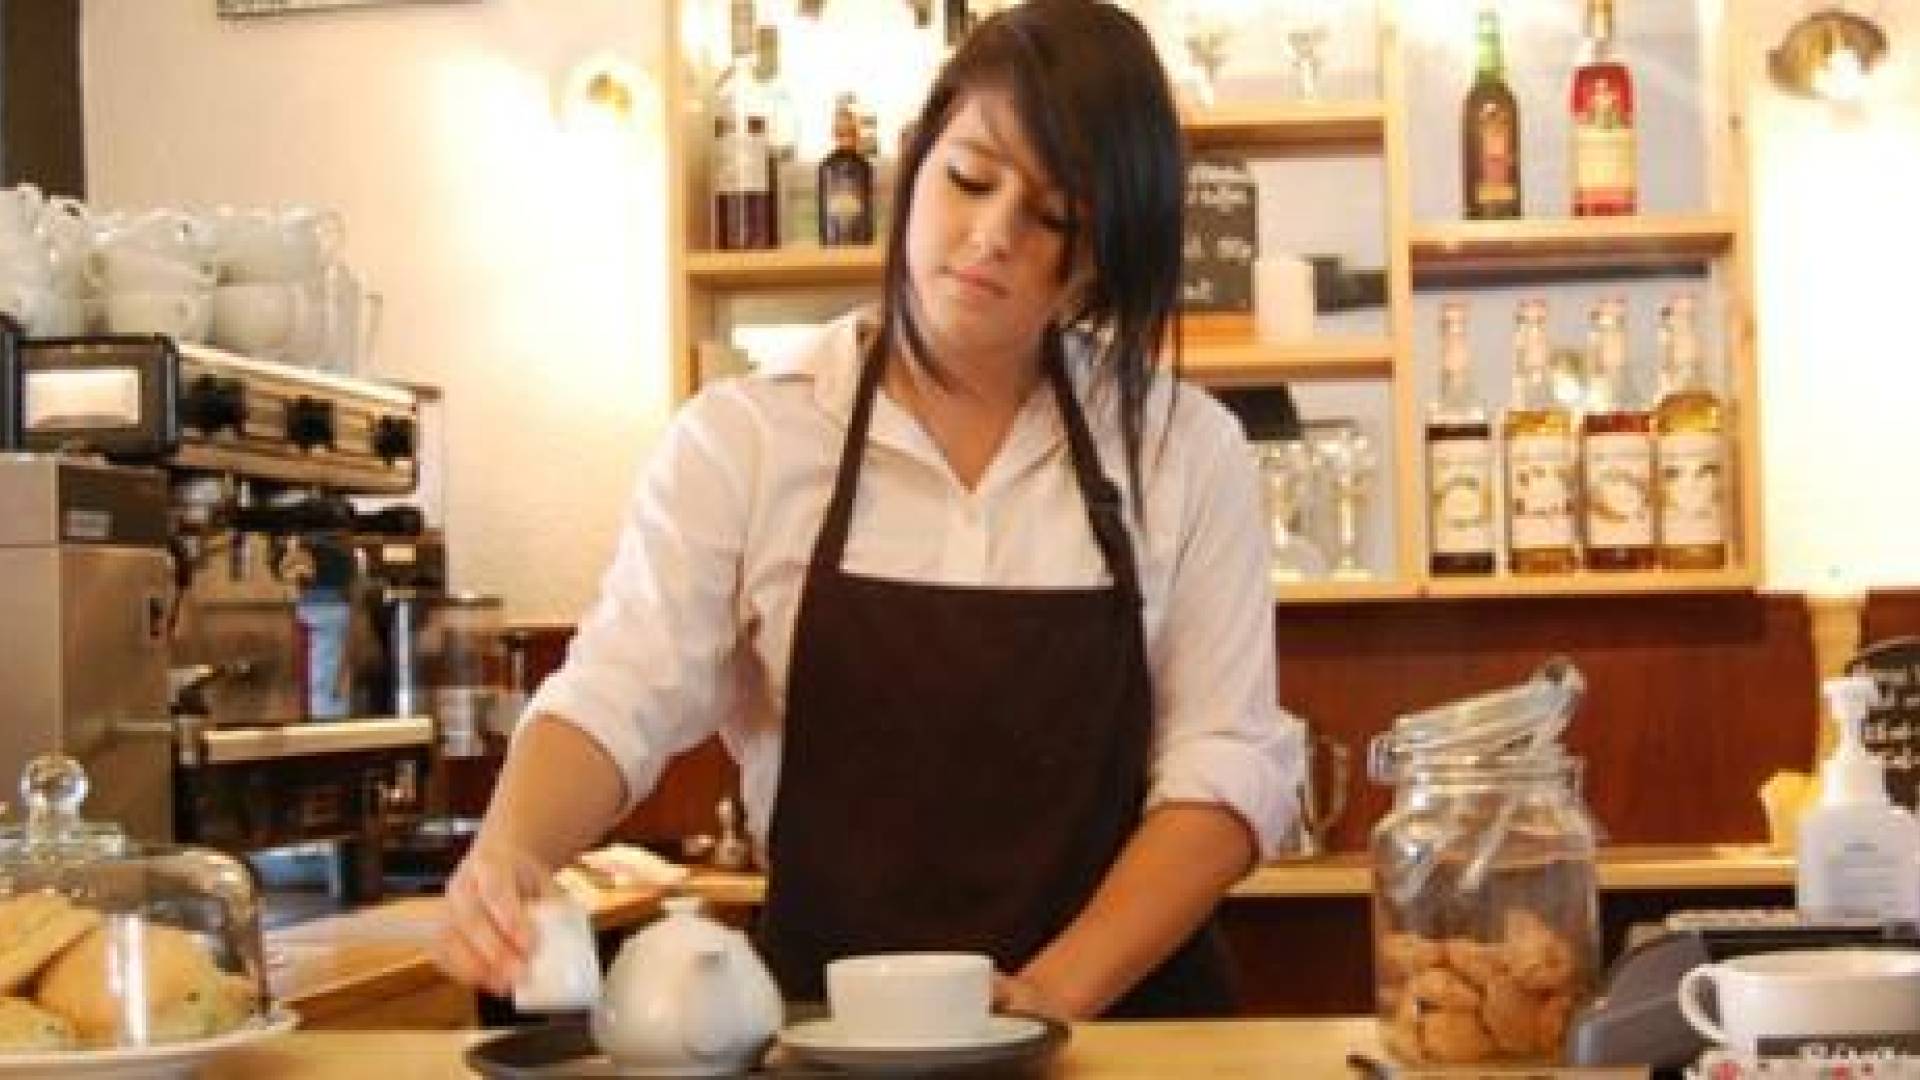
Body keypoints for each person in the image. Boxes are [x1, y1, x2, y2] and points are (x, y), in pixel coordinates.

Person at [434, 0, 1302, 1021]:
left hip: (1118, 1033)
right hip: (835, 1038)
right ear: (915, 159)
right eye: (970, 178)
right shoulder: (745, 440)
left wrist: (1048, 995)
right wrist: (512, 849)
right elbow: (618, 693)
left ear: (1099, 258)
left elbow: (1226, 768)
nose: (992, 235)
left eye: (1053, 217)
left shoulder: (1187, 450)